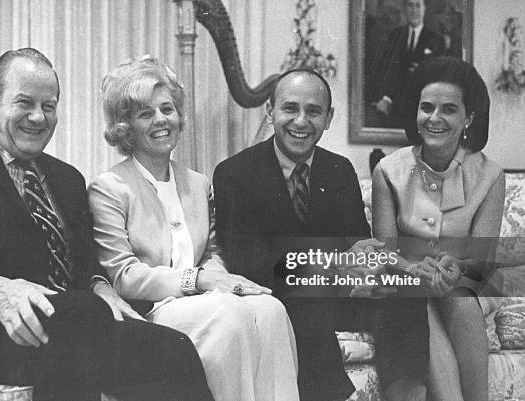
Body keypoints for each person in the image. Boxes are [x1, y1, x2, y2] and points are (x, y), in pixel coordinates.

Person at [0, 48, 215, 401]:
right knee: (84, 315)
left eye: (49, 106)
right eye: (24, 102)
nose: (38, 117)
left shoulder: (66, 179)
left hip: (71, 330)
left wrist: (102, 287)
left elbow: (86, 265)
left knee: (174, 347)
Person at [87, 55, 299, 401]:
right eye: (146, 113)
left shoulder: (198, 183)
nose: (161, 120)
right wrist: (199, 281)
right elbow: (123, 275)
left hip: (204, 304)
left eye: (167, 109)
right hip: (150, 313)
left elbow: (212, 253)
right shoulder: (109, 187)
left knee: (270, 309)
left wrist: (224, 281)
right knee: (229, 315)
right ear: (125, 126)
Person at [213, 68, 429, 401]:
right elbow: (246, 263)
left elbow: (356, 238)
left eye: (313, 111)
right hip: (278, 297)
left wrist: (369, 265)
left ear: (328, 118)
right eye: (290, 109)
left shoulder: (339, 169)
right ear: (270, 112)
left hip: (337, 296)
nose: (301, 121)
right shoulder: (233, 173)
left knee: (406, 296)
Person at [373, 56, 505, 401]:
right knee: (417, 302)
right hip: (407, 279)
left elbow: (482, 258)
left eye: (448, 109)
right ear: (415, 113)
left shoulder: (490, 175)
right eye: (426, 107)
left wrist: (455, 268)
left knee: (460, 299)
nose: (434, 118)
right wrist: (413, 269)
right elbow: (384, 250)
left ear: (468, 118)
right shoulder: (389, 170)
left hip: (468, 282)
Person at [368, 0, 446, 128]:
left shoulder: (437, 40)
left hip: (423, 109)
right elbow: (385, 71)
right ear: (405, 9)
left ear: (424, 8)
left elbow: (441, 79)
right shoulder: (394, 36)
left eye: (417, 6)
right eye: (410, 5)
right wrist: (386, 98)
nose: (414, 10)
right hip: (395, 108)